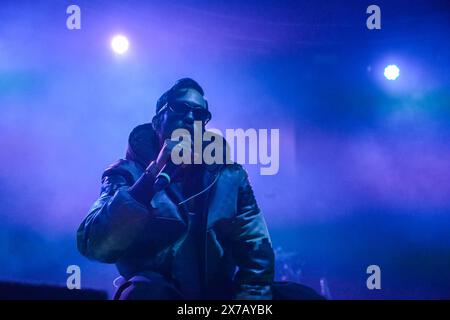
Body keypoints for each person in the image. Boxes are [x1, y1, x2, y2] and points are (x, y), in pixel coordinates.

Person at [77, 78, 274, 300]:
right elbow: (95, 245)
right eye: (180, 108)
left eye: (199, 115)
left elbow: (257, 252)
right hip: (155, 294)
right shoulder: (125, 174)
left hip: (218, 298)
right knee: (146, 293)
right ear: (156, 121)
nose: (190, 118)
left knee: (296, 294)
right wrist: (152, 176)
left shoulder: (229, 177)